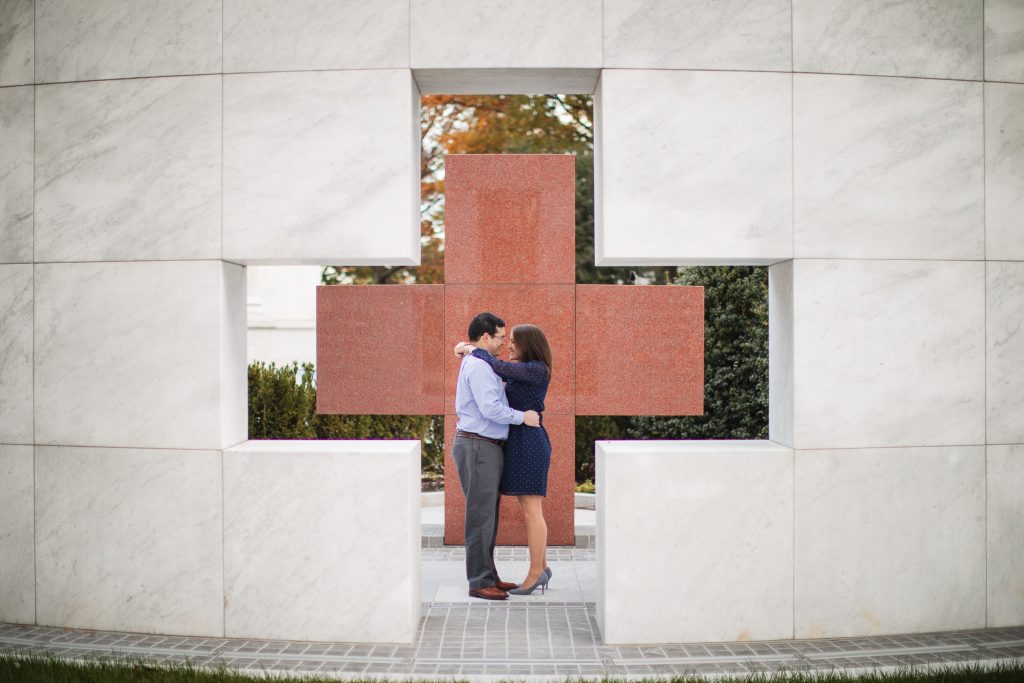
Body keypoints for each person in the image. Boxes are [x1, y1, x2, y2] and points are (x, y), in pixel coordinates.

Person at [455, 323, 553, 595]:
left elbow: (498, 367)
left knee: (532, 509)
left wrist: (471, 349)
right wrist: (468, 349)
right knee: (525, 507)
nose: (507, 345)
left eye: (512, 341)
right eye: (504, 339)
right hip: (517, 441)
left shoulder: (535, 368)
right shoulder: (521, 369)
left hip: (530, 443)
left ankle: (536, 573)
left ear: (527, 344)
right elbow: (495, 370)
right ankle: (540, 567)